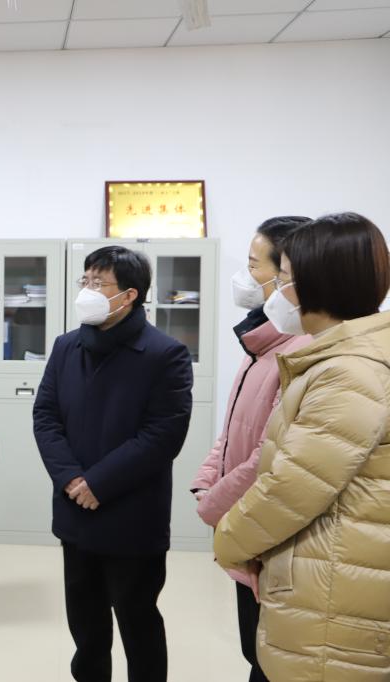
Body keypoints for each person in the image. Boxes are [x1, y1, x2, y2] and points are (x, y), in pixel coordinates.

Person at [214, 213, 390, 682]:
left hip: (333, 586)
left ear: (319, 283)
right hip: (330, 572)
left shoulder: (349, 373)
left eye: (285, 278)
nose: (276, 290)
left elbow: (291, 488)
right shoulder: (342, 358)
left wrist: (227, 537)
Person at [33, 245, 193, 682]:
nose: (87, 290)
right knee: (86, 626)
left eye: (99, 283)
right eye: (85, 280)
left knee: (137, 621)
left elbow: (162, 435)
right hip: (75, 512)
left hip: (131, 517)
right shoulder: (67, 346)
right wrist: (70, 478)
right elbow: (45, 416)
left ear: (129, 295)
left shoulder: (165, 354)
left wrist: (98, 483)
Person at [190, 216, 312, 682]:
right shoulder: (259, 344)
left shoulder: (300, 352)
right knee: (254, 652)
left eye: (254, 264)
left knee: (270, 661)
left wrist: (215, 507)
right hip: (243, 525)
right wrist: (206, 481)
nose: (245, 276)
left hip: (263, 532)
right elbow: (231, 430)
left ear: (289, 275)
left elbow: (268, 455)